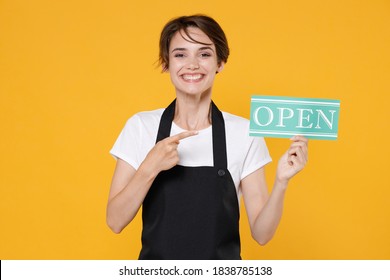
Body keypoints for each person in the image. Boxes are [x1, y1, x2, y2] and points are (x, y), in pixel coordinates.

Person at [107, 14, 308, 260]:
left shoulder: (245, 133)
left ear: (220, 62)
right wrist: (150, 167)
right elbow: (114, 221)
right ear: (166, 63)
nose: (192, 64)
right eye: (180, 54)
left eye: (204, 54)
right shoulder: (140, 127)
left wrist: (282, 182)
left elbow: (262, 234)